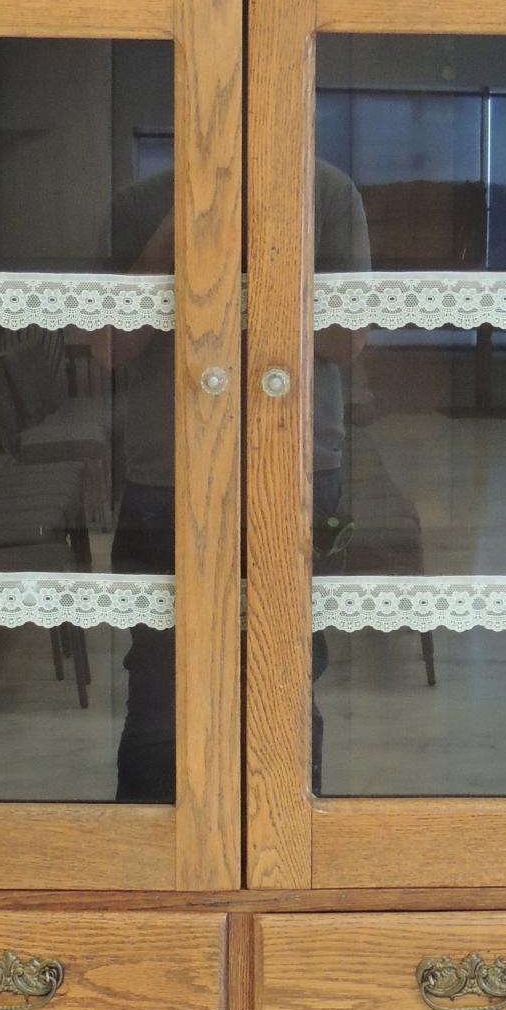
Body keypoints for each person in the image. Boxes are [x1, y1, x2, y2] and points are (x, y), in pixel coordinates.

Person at [95, 158, 370, 802]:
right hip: (168, 475)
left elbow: (346, 340)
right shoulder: (138, 203)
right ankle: (156, 850)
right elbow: (109, 346)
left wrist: (279, 242)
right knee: (160, 673)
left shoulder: (329, 194)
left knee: (294, 667)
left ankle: (290, 835)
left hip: (304, 471)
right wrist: (174, 235)